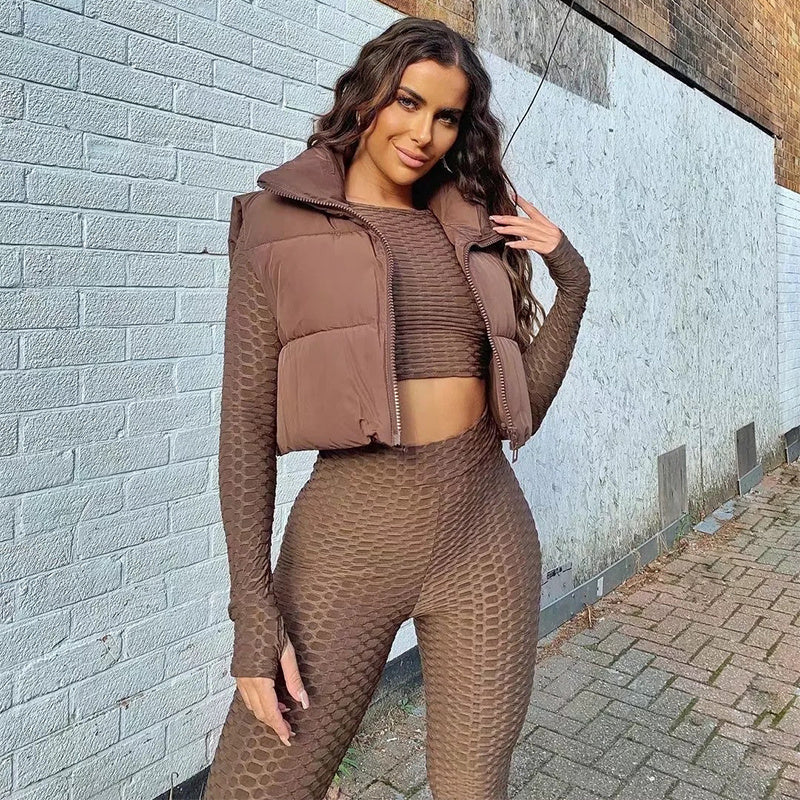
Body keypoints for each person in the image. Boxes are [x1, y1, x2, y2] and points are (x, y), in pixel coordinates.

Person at [202, 15, 591, 800]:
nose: (424, 134)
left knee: (473, 788)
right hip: (349, 542)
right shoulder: (276, 225)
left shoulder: (467, 227)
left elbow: (520, 410)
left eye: (446, 116)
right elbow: (245, 425)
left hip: (484, 536)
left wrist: (572, 281)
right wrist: (253, 611)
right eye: (409, 103)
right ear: (368, 95)